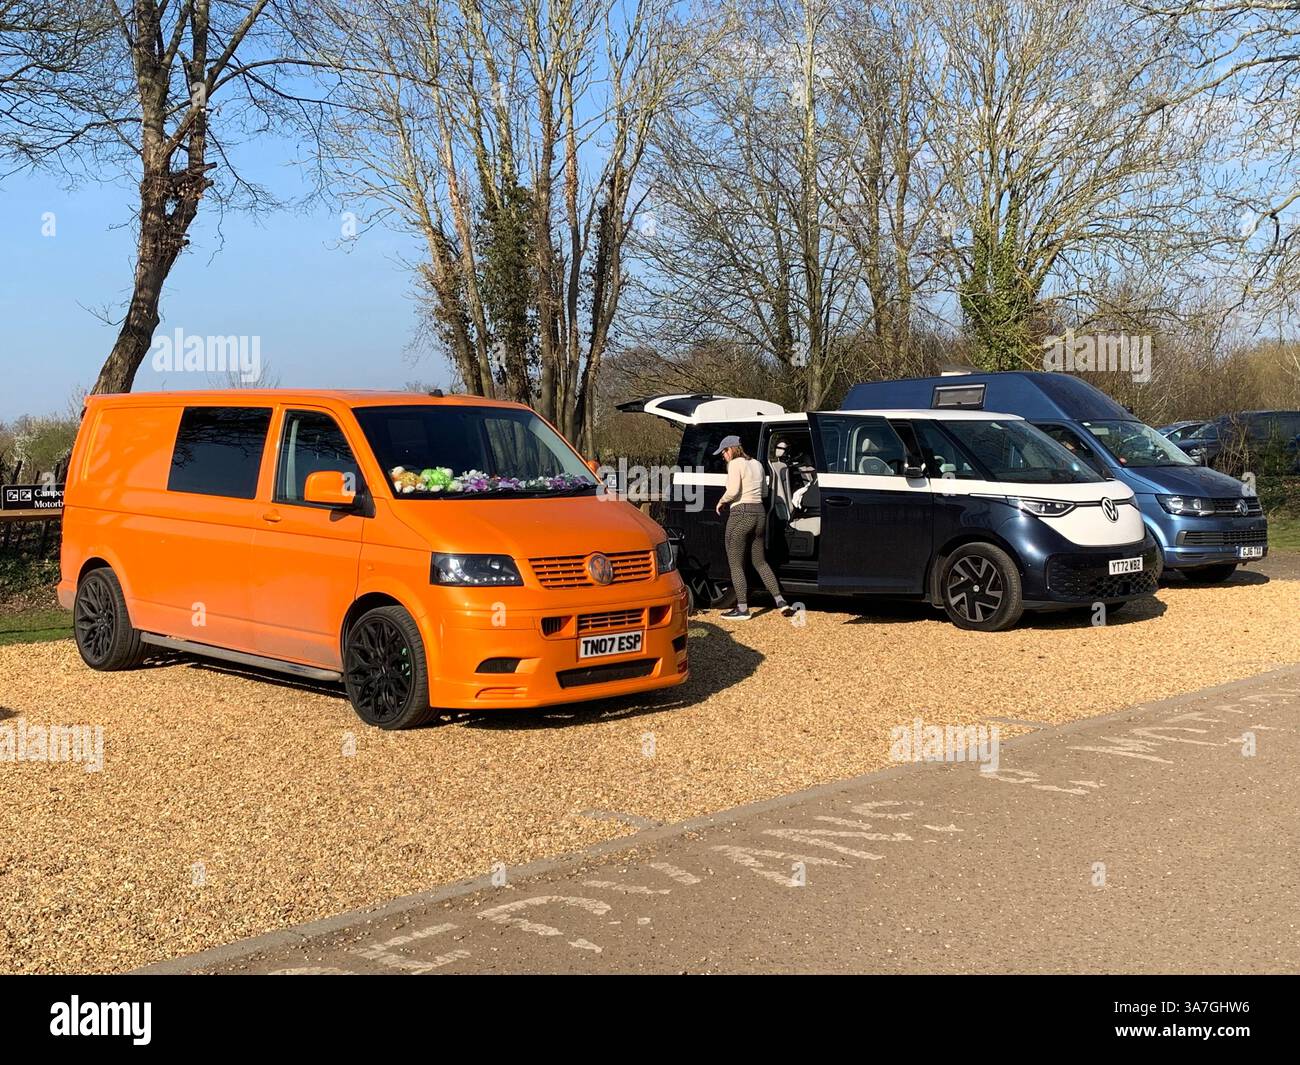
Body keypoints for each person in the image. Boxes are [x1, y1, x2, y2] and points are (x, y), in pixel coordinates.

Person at [713, 435, 794, 620]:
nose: (723, 456)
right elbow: (765, 492)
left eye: (724, 452)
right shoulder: (757, 464)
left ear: (732, 449)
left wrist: (721, 501)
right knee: (760, 562)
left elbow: (733, 490)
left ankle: (742, 609)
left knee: (735, 563)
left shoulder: (735, 464)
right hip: (759, 514)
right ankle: (781, 602)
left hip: (740, 514)